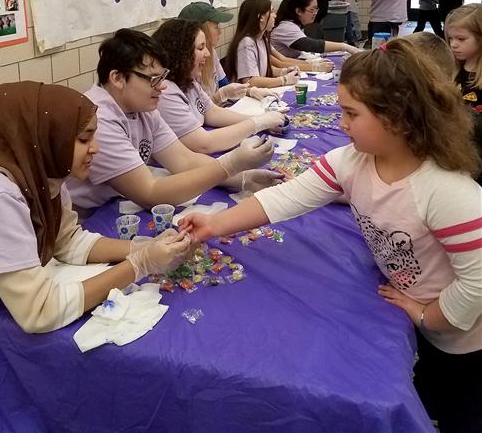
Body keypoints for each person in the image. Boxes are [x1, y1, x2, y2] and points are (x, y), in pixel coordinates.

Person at [180, 41, 482, 433]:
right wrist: (213, 224)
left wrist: (429, 315)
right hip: (424, 319)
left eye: (351, 113)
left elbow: (476, 280)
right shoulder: (351, 162)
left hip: (466, 341)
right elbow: (285, 198)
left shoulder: (446, 191)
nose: (341, 123)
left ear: (398, 118)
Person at [0, 82, 190, 333]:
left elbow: (67, 241)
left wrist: (144, 246)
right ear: (44, 137)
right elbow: (39, 311)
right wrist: (139, 265)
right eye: (83, 138)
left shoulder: (44, 174)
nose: (96, 148)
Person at [66, 29, 276, 217]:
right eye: (154, 79)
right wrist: (230, 165)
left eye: (163, 77)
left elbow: (184, 160)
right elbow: (150, 193)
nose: (162, 87)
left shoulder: (143, 106)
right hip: (87, 217)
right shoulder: (100, 119)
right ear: (118, 78)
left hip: (116, 202)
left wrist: (242, 178)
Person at [152, 18, 286, 155]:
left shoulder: (189, 81)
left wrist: (260, 120)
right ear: (181, 53)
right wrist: (257, 123)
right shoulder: (166, 91)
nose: (207, 53)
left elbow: (212, 112)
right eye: (200, 48)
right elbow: (203, 144)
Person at [178, 1, 274, 104]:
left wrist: (249, 91)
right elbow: (200, 112)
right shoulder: (185, 69)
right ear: (200, 31)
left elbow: (225, 85)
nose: (220, 32)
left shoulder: (212, 52)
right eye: (216, 26)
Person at [225, 0, 301, 88]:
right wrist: (284, 80)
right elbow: (250, 81)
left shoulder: (262, 38)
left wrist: (284, 71)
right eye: (272, 11)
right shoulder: (246, 43)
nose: (275, 15)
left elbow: (263, 69)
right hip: (243, 98)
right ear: (260, 17)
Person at [445, 4, 482, 187]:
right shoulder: (453, 70)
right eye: (450, 38)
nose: (453, 44)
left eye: (461, 39)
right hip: (455, 148)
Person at [271, 0, 361, 60]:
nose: (315, 13)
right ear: (298, 11)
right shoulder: (286, 27)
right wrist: (344, 47)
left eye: (316, 9)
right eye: (312, 10)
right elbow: (310, 45)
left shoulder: (296, 25)